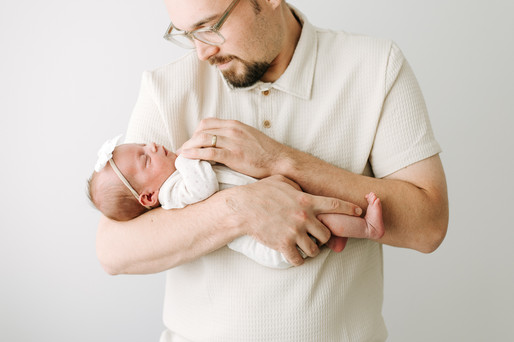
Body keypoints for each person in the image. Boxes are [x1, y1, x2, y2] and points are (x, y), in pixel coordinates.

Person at [95, 0, 449, 340]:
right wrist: (239, 209)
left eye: (211, 26)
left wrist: (280, 161)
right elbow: (113, 250)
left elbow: (429, 225)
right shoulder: (165, 88)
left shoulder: (376, 66)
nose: (201, 52)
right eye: (187, 33)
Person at [88, 135, 385, 269]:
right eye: (144, 157)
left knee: (317, 216)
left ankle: (336, 239)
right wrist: (189, 156)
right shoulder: (173, 193)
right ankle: (369, 228)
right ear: (148, 197)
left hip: (280, 209)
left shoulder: (173, 177)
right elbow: (205, 186)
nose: (152, 145)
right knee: (321, 217)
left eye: (143, 144)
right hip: (270, 246)